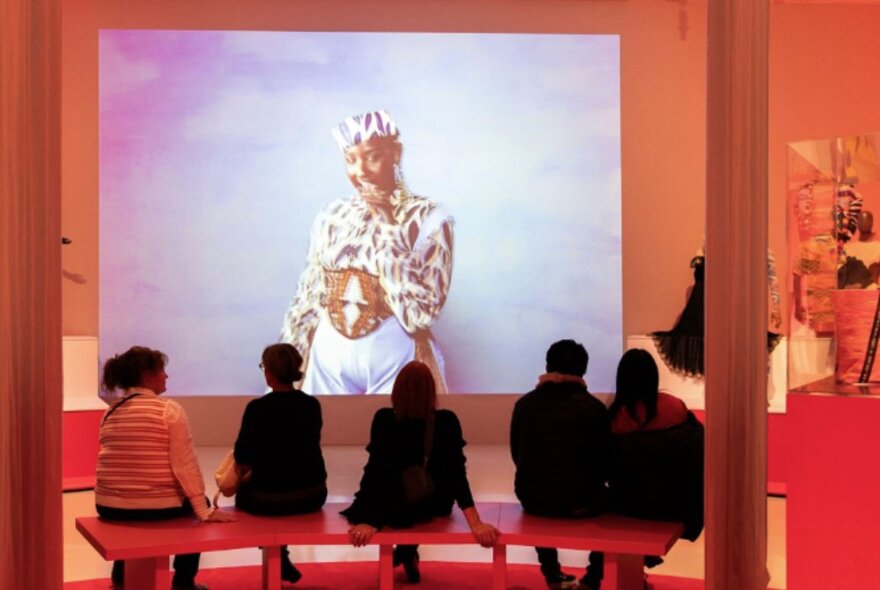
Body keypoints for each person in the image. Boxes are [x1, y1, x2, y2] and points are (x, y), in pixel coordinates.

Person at [281, 109, 454, 395]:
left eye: (372, 156)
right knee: (324, 436)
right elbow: (306, 300)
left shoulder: (430, 219)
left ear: (395, 154)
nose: (360, 170)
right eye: (351, 159)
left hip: (396, 359)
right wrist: (284, 374)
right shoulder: (331, 216)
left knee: (396, 435)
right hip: (327, 361)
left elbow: (418, 316)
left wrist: (387, 226)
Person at [341, 360, 498, 583]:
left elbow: (377, 473)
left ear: (397, 390)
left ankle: (405, 553)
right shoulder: (447, 421)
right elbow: (456, 475)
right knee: (416, 502)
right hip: (430, 503)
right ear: (431, 391)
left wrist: (371, 520)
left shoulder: (384, 419)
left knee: (398, 500)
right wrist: (476, 523)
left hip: (392, 503)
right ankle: (406, 552)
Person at [95, 346, 235, 590]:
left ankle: (121, 577)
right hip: (155, 507)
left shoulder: (110, 411)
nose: (166, 376)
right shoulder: (168, 410)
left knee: (130, 511)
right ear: (148, 376)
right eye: (162, 371)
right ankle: (184, 582)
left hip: (108, 506)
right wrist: (204, 510)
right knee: (196, 505)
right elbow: (185, 465)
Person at [509, 340, 610, 590]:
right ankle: (593, 577)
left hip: (532, 499)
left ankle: (552, 574)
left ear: (547, 365)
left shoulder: (524, 405)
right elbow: (605, 463)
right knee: (617, 501)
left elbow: (517, 455)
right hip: (582, 501)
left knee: (538, 481)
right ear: (583, 371)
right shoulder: (595, 410)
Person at [605, 348, 704, 582]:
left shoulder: (616, 418)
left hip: (628, 506)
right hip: (674, 504)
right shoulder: (675, 407)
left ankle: (601, 576)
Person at [233, 343, 327, 585]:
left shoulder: (257, 408)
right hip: (312, 495)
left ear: (270, 373)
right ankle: (281, 557)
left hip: (267, 499)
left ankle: (278, 555)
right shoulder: (311, 405)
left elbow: (242, 456)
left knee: (244, 493)